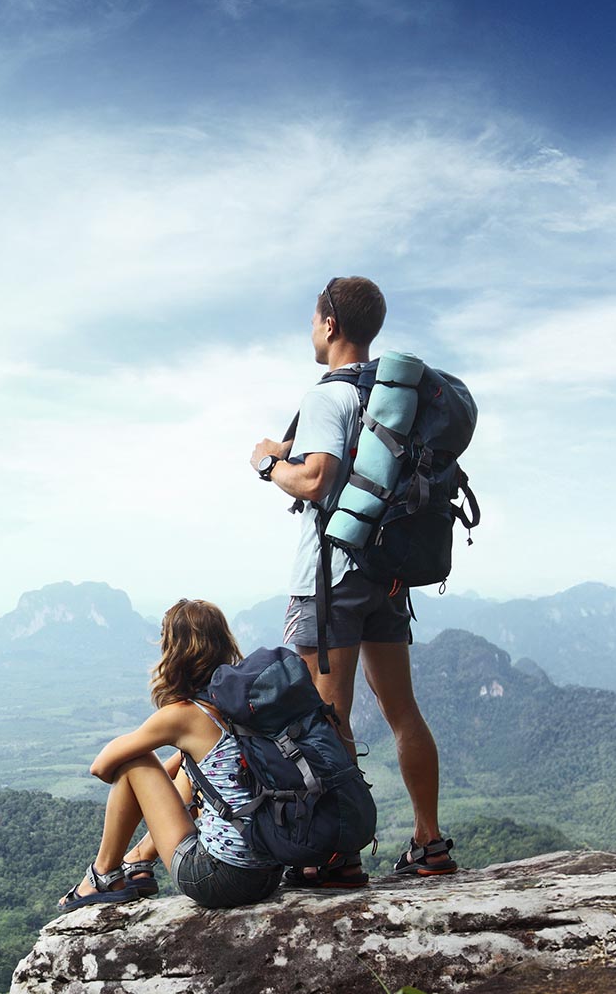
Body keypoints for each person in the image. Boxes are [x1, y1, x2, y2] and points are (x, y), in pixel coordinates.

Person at [249, 276, 457, 885]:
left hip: (332, 578)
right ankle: (430, 842)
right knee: (403, 712)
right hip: (390, 575)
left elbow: (314, 481)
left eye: (314, 320)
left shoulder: (326, 398)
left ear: (331, 324)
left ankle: (334, 853)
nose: (312, 331)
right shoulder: (394, 399)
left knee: (325, 717)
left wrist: (268, 463)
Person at [58, 599, 283, 912]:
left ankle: (103, 875)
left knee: (137, 760)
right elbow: (188, 774)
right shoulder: (240, 705)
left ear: (175, 651)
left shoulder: (184, 715)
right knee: (184, 766)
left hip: (219, 878)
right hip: (268, 873)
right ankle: (137, 861)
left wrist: (139, 768)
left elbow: (102, 767)